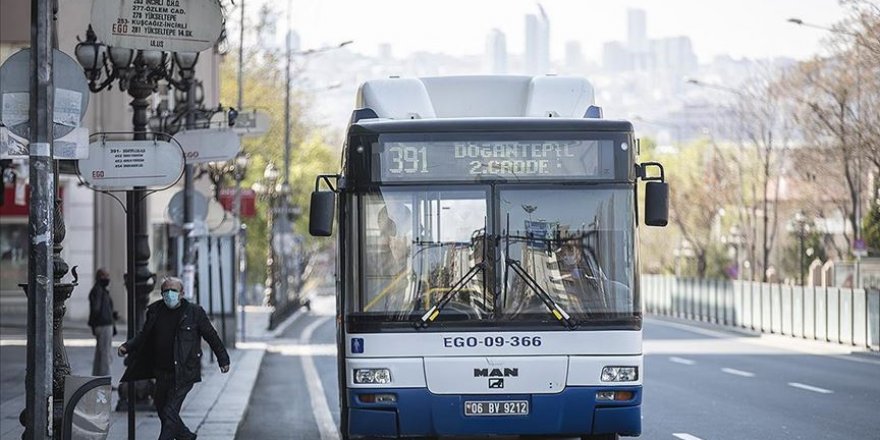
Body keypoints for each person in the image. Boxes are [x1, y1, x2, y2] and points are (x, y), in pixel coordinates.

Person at [118, 277, 230, 440]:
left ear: (182, 293)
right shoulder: (155, 310)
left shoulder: (194, 312)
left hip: (185, 372)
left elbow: (211, 336)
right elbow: (144, 334)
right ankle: (186, 437)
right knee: (161, 408)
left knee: (170, 412)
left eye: (174, 290)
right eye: (166, 291)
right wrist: (127, 346)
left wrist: (223, 359)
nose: (169, 294)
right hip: (161, 371)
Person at [88, 268, 116, 376]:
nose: (108, 278)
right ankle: (105, 379)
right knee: (105, 354)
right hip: (104, 324)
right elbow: (96, 309)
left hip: (102, 324)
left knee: (100, 354)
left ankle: (97, 377)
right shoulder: (99, 291)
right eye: (105, 276)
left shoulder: (100, 290)